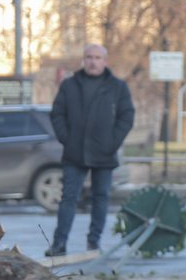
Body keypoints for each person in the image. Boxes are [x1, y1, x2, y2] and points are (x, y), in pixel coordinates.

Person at [46, 44, 135, 256]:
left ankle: (94, 243)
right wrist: (66, 139)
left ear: (105, 61)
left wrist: (112, 142)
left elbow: (127, 116)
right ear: (83, 60)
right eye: (89, 57)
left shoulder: (117, 87)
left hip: (104, 153)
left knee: (101, 198)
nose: (93, 61)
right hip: (75, 153)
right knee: (68, 198)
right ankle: (59, 244)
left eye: (97, 57)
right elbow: (57, 114)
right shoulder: (69, 85)